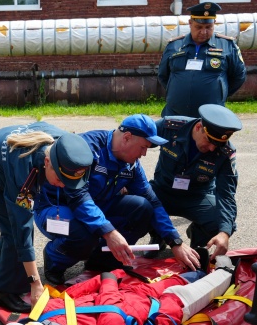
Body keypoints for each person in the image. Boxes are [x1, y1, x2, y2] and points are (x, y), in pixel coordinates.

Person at [36, 114, 200, 285]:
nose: (144, 154)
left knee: (142, 208)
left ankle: (101, 262)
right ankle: (55, 259)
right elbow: (79, 199)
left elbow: (152, 201)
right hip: (56, 209)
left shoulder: (132, 165)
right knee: (85, 230)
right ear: (127, 138)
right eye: (143, 147)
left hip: (96, 206)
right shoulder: (88, 149)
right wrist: (109, 232)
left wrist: (175, 242)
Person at [0, 123, 93, 313]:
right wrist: (35, 283)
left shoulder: (63, 146)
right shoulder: (26, 171)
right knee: (16, 229)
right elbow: (22, 228)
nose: (63, 186)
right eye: (60, 180)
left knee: (11, 224)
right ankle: (5, 292)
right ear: (47, 163)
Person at [150, 104, 243, 260]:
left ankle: (199, 244)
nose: (213, 149)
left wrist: (225, 233)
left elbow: (226, 194)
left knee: (222, 222)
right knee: (138, 204)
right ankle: (158, 236)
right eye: (209, 141)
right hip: (162, 190)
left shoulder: (226, 152)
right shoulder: (170, 127)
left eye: (218, 144)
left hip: (197, 197)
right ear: (199, 127)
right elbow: (135, 141)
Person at [158, 2, 247, 118]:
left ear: (214, 23)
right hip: (176, 114)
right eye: (198, 27)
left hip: (212, 116)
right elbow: (163, 75)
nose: (203, 32)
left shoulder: (228, 46)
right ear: (190, 23)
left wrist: (220, 92)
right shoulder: (174, 46)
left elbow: (239, 76)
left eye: (208, 27)